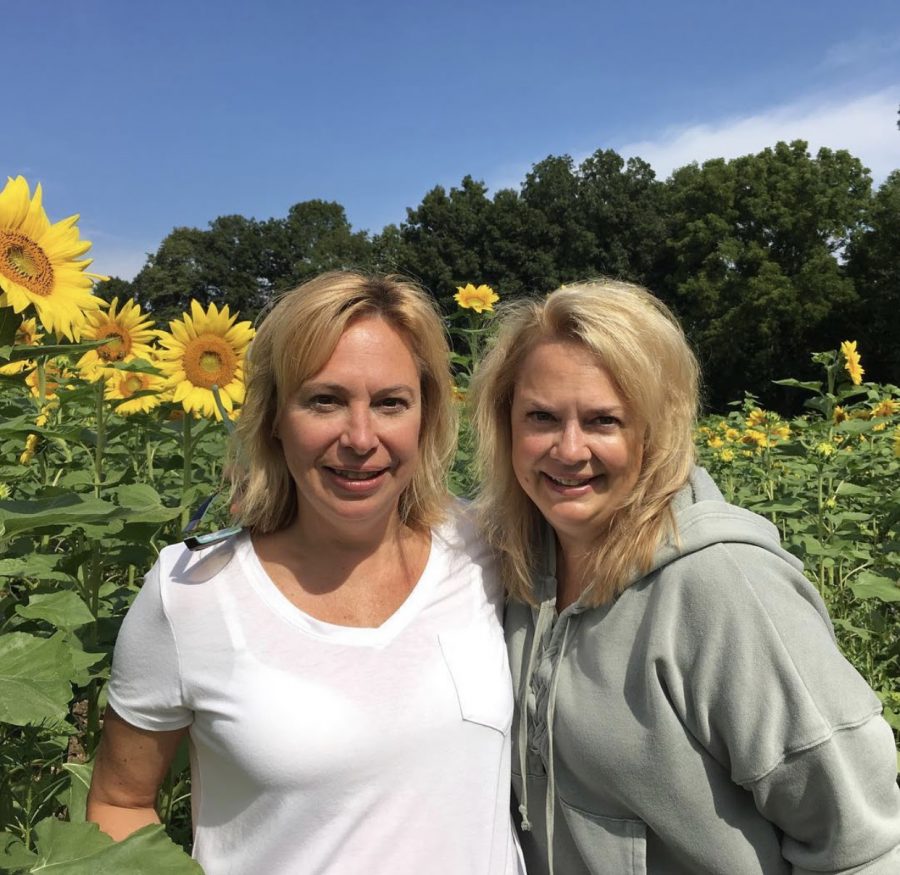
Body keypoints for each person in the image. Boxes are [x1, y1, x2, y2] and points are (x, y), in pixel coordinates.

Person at [87, 272, 525, 874]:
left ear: (426, 417)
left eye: (391, 403)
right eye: (325, 400)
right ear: (274, 417)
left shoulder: (486, 548)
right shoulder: (192, 590)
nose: (361, 437)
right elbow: (119, 802)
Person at [469, 279, 900, 875]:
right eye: (541, 417)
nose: (568, 450)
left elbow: (863, 843)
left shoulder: (726, 586)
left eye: (603, 420)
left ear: (656, 427)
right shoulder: (512, 567)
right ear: (505, 424)